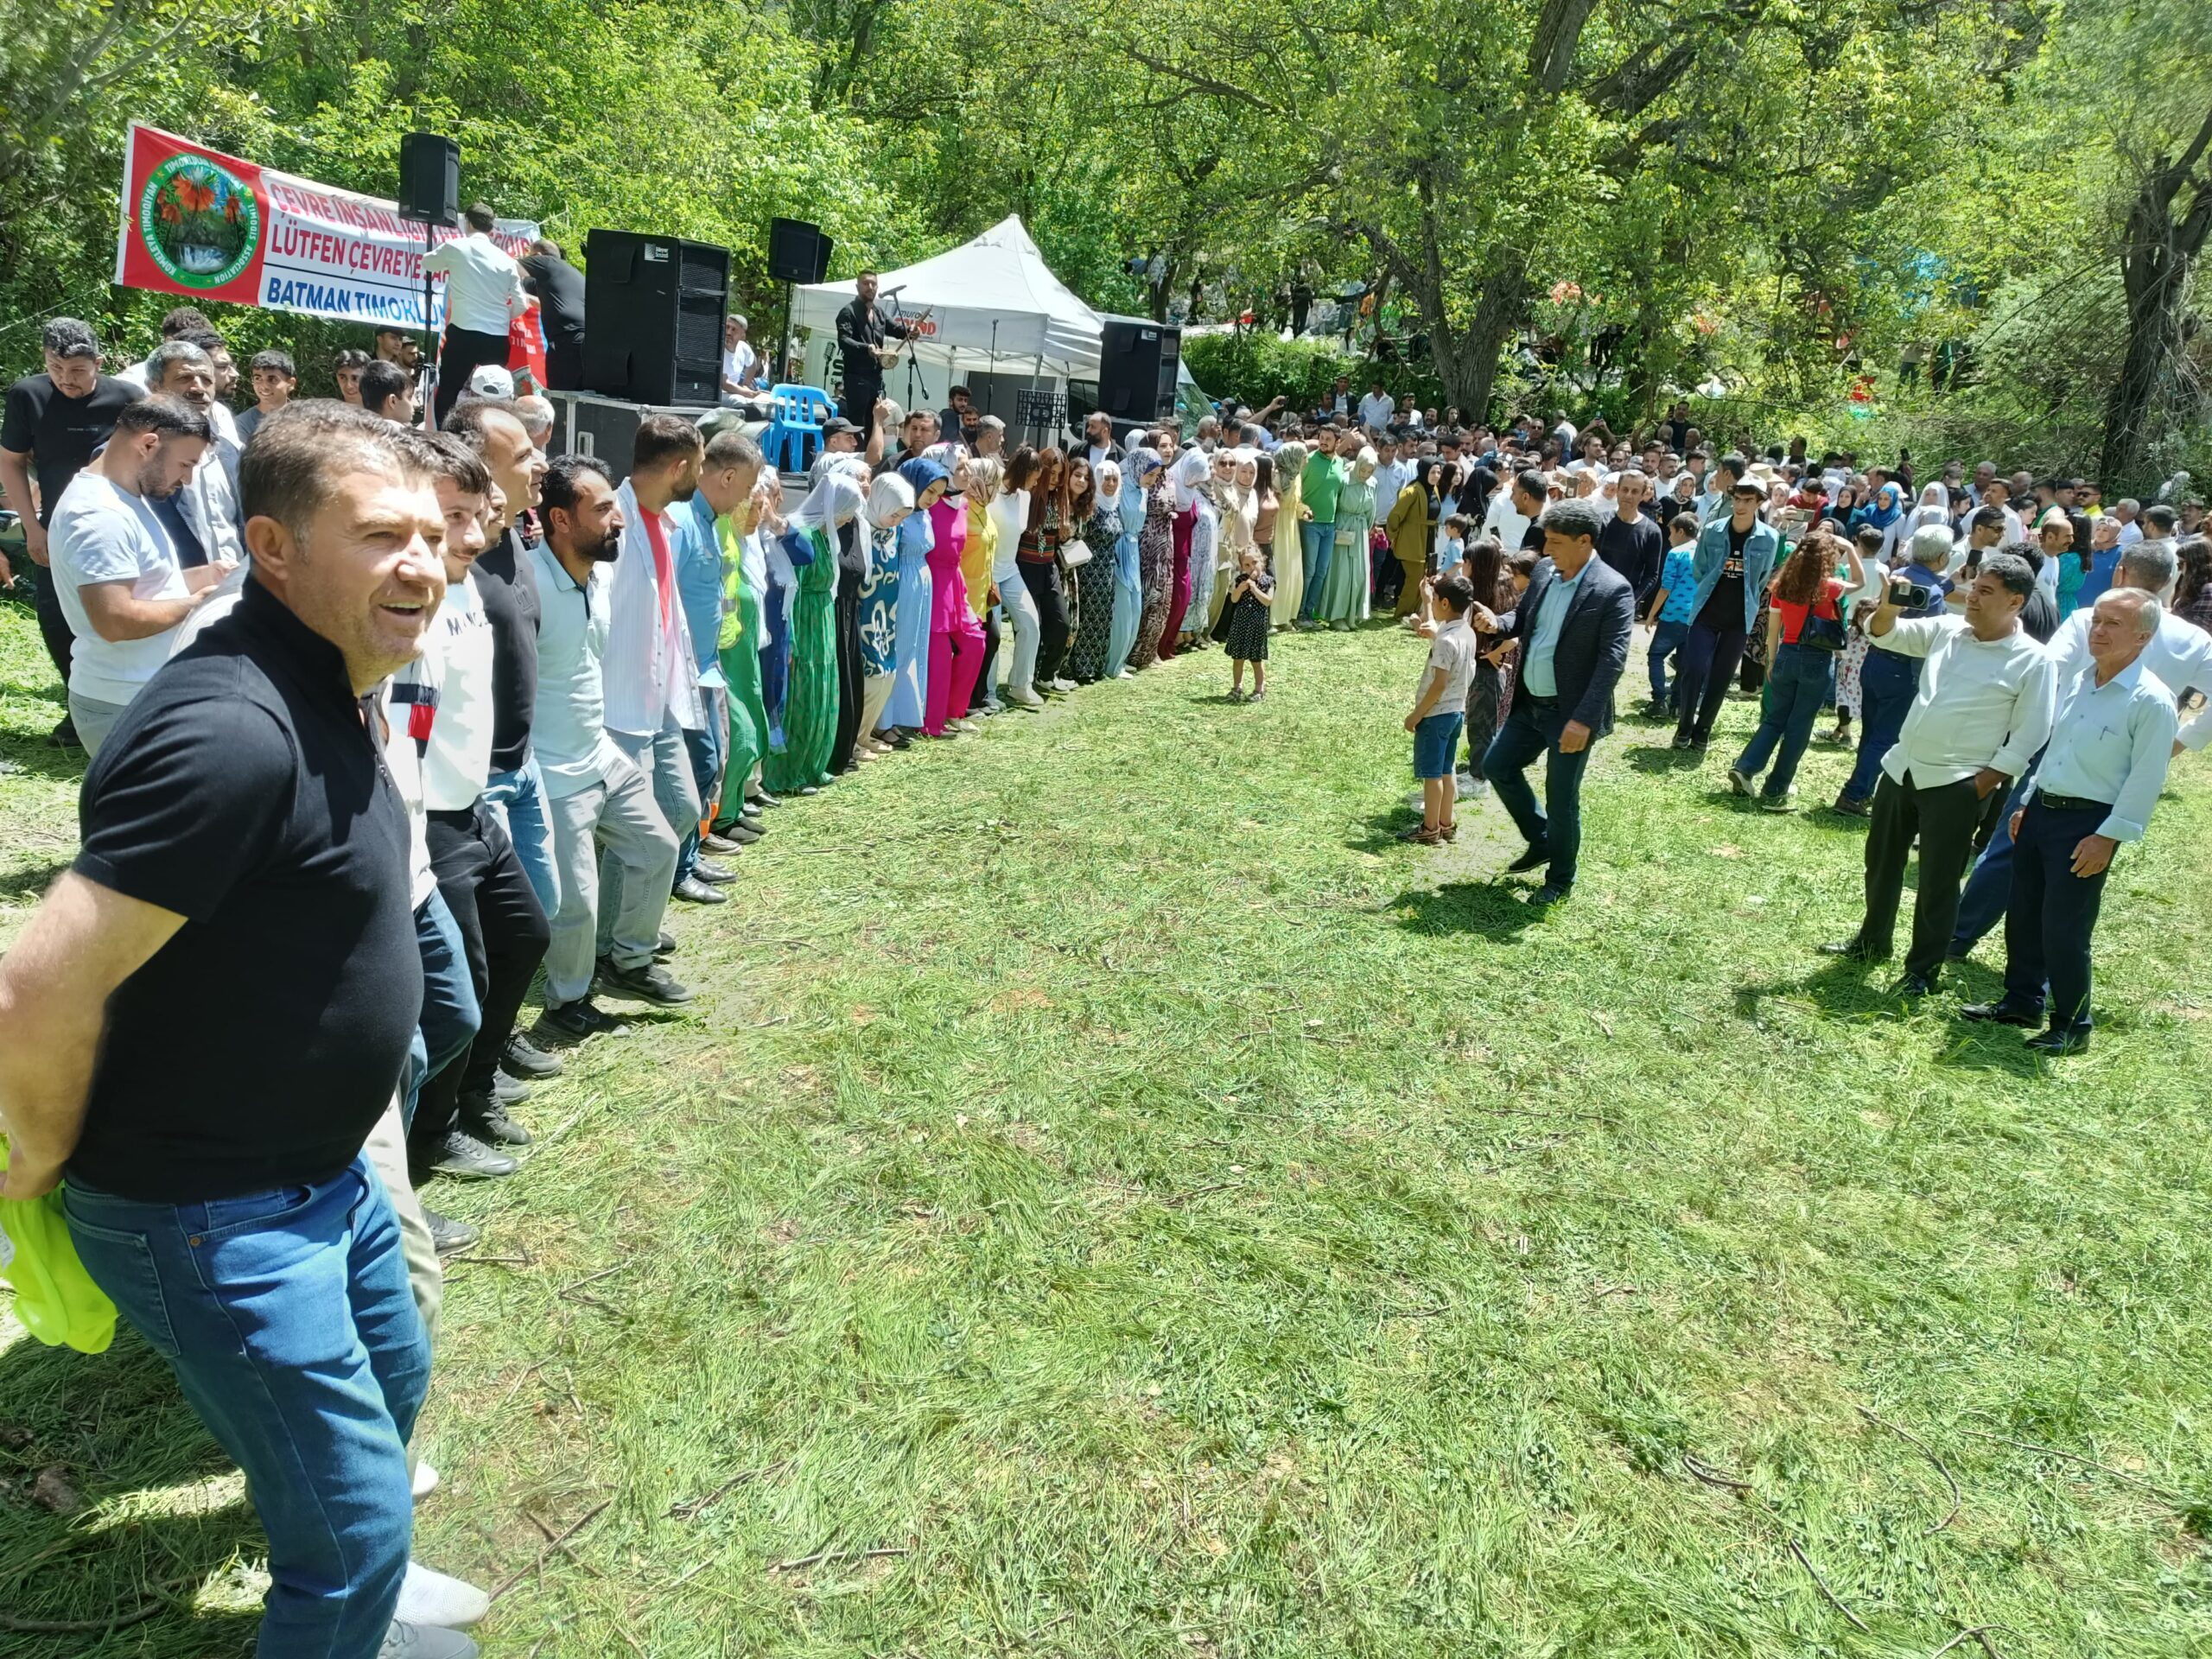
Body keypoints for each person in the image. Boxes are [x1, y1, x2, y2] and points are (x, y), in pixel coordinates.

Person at [0, 401, 483, 1658]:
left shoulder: (333, 680)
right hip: (209, 1209)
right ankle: (352, 1599)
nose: (422, 564)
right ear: (271, 547)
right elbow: (34, 988)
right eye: (380, 536)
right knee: (355, 1525)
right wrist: (42, 1157)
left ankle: (367, 1592)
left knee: (395, 1387)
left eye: (433, 535)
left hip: (320, 1176)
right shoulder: (230, 730)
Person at [1948, 537, 2212, 957]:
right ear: (2169, 583)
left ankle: (1961, 935)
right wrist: (2177, 743)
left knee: (2011, 846)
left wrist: (2033, 723)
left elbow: (2049, 666)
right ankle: (2051, 963)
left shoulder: (2090, 617)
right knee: (2082, 866)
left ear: (2121, 572)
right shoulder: (2193, 639)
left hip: (2061, 749)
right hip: (2125, 767)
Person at [1822, 552, 2055, 997]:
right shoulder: (1949, 630)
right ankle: (1871, 943)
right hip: (1902, 767)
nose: (1972, 598)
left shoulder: (2033, 660)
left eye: (1986, 592)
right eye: (1974, 587)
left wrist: (1983, 783)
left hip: (1957, 783)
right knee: (1882, 863)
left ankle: (1922, 971)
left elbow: (2031, 734)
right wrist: (1889, 603)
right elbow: (1884, 634)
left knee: (1937, 881)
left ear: (2015, 602)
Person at [1959, 588, 2177, 1054]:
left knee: (2065, 925)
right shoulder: (2082, 679)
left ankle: (2073, 1022)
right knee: (2023, 912)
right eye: (2097, 621)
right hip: (2042, 811)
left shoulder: (2151, 701)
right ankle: (2021, 1001)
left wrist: (2108, 838)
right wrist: (2026, 803)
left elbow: (2145, 780)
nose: (2098, 631)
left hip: (2088, 824)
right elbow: (2055, 749)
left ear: (2143, 637)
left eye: (2113, 624)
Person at [529, 454, 690, 1048]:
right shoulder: (530, 586)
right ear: (560, 520)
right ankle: (566, 1003)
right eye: (601, 509)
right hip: (553, 774)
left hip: (600, 757)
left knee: (658, 846)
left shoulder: (598, 576)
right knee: (575, 907)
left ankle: (630, 962)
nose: (617, 518)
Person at [46, 395, 227, 754]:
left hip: (139, 696)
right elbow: (114, 620)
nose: (187, 479)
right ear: (148, 444)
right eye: (185, 464)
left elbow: (148, 587)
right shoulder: (99, 515)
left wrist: (209, 576)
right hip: (123, 704)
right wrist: (197, 604)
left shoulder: (123, 498)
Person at [1474, 499, 1635, 906]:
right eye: (1546, 541)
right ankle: (1543, 840)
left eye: (1556, 542)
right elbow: (1523, 621)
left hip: (1570, 715)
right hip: (1530, 704)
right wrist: (1497, 623)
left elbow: (1611, 661)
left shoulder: (1613, 589)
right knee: (1496, 765)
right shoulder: (1545, 571)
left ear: (1585, 541)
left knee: (1562, 797)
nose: (1547, 551)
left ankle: (1560, 878)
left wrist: (1583, 719)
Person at [3, 319, 143, 724]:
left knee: (116, 610)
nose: (66, 380)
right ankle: (77, 699)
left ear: (98, 362)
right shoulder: (28, 396)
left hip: (118, 523)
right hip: (54, 524)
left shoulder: (126, 397)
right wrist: (31, 526)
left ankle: (124, 702)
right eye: (55, 368)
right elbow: (10, 462)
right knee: (54, 614)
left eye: (78, 370)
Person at [604, 416, 714, 911]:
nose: (702, 473)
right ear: (681, 466)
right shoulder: (611, 519)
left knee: (682, 807)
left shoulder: (664, 521)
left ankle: (625, 928)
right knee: (628, 832)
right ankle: (615, 941)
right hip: (622, 702)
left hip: (663, 695)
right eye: (701, 463)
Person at [1726, 530, 1865, 810]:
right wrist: (1849, 546)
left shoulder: (1782, 584)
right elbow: (1861, 581)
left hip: (1786, 655)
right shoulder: (1830, 586)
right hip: (1817, 658)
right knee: (1799, 725)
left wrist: (1771, 660)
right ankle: (1776, 790)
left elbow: (1773, 629)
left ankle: (1746, 766)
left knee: (1775, 718)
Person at [1671, 480, 1780, 751]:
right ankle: (1684, 726)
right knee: (1693, 668)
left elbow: (1762, 578)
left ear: (1758, 503)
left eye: (1747, 500)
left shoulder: (1770, 537)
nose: (1740, 505)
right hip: (1706, 613)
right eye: (1737, 499)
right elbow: (1700, 569)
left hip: (1739, 618)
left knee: (1721, 679)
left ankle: (1702, 732)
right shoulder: (1712, 530)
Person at [423, 204, 531, 424]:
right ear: (492, 228)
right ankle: (494, 438)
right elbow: (522, 304)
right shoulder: (506, 260)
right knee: (495, 395)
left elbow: (428, 263)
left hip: (463, 333)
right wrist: (502, 316)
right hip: (496, 338)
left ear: (468, 223)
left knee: (448, 391)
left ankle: (444, 442)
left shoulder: (455, 247)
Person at [1402, 570, 1478, 843]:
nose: (1433, 605)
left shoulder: (1446, 640)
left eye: (1435, 600)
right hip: (1456, 712)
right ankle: (1447, 823)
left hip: (1436, 715)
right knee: (1447, 771)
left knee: (1432, 775)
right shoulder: (1466, 632)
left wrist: (1416, 714)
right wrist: (1425, 600)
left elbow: (1439, 684)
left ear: (1445, 603)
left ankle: (1429, 828)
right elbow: (1440, 634)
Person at [833, 270, 912, 424]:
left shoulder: (879, 313)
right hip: (857, 379)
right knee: (858, 426)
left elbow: (897, 330)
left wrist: (911, 331)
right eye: (865, 283)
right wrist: (867, 348)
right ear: (857, 287)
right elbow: (844, 340)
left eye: (873, 284)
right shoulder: (848, 312)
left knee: (876, 424)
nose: (870, 287)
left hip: (876, 380)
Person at [1643, 512, 1700, 715]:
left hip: (1674, 614)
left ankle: (1659, 701)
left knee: (1656, 655)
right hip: (1695, 616)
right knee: (1684, 662)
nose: (1669, 538)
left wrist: (1651, 614)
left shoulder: (1676, 554)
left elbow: (1666, 587)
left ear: (1681, 531)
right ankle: (1678, 704)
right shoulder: (1704, 552)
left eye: (1671, 533)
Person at [1317, 447, 1378, 628]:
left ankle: (1353, 614)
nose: (1366, 474)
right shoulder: (1344, 480)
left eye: (1370, 471)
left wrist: (1363, 529)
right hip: (1342, 528)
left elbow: (1371, 512)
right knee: (1341, 573)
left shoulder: (1373, 483)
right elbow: (1334, 505)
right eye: (1363, 469)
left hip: (1360, 531)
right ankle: (1336, 615)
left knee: (1359, 574)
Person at [518, 238, 587, 391]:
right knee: (578, 396)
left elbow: (510, 267)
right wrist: (527, 298)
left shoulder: (546, 262)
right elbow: (552, 304)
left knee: (560, 395)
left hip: (566, 338)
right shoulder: (568, 273)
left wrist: (523, 259)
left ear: (538, 255)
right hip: (583, 341)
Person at [1297, 430, 1346, 626]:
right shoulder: (1308, 460)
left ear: (1337, 441)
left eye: (1328, 439)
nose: (1323, 442)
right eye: (1322, 438)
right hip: (1310, 524)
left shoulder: (1340, 463)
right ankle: (1300, 614)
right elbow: (1297, 489)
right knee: (1308, 571)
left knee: (1321, 572)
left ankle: (1310, 612)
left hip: (1330, 525)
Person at [1597, 469, 1662, 604]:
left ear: (1643, 495)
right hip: (1593, 598)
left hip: (1622, 604)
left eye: (1635, 492)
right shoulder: (1600, 522)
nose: (1628, 495)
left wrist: (1630, 601)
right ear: (1618, 490)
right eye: (1625, 489)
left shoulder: (1651, 532)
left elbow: (1651, 575)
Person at [1224, 545, 1274, 700]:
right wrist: (1240, 589)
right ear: (1241, 566)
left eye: (1254, 562)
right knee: (1238, 659)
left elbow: (1268, 601)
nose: (1251, 567)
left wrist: (1254, 589)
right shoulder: (1240, 580)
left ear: (1262, 562)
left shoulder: (1268, 581)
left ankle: (1259, 689)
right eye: (1247, 565)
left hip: (1257, 627)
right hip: (1241, 625)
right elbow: (1233, 599)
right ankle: (1237, 687)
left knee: (1256, 661)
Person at [360, 359, 416, 425]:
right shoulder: (398, 434)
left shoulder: (354, 431)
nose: (415, 404)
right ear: (392, 401)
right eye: (409, 397)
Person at [720, 315, 760, 405]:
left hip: (735, 392)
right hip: (718, 393)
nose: (729, 332)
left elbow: (752, 362)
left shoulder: (743, 348)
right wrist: (745, 392)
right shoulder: (717, 349)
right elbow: (723, 383)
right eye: (727, 327)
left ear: (742, 336)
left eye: (734, 330)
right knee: (739, 402)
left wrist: (746, 384)